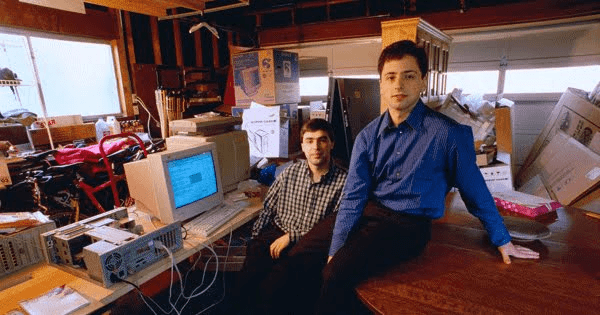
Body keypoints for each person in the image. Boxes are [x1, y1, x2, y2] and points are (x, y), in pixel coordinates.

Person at [285, 40, 540, 315]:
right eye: (390, 77)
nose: (398, 85)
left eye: (408, 76)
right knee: (299, 258)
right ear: (381, 83)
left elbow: (474, 190)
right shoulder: (367, 136)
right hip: (368, 212)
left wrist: (502, 239)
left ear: (422, 81)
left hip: (407, 225)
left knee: (336, 274)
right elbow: (353, 197)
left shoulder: (448, 134)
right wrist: (337, 245)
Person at [232, 118, 348, 314]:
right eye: (310, 141)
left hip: (309, 243)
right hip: (277, 231)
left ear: (332, 144)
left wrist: (292, 237)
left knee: (272, 288)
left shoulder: (343, 182)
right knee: (246, 279)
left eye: (322, 140)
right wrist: (256, 240)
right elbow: (268, 209)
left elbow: (333, 228)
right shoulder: (289, 173)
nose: (316, 147)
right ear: (302, 145)